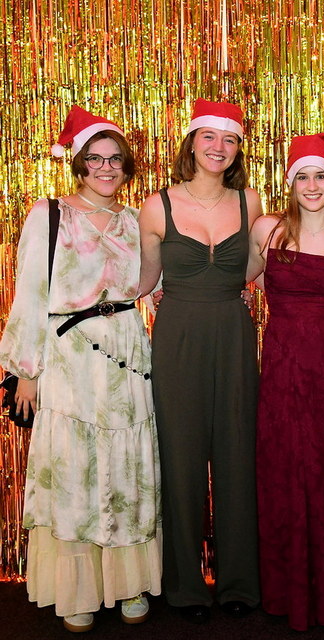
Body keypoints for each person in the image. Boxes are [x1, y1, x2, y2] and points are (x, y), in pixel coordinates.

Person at [0, 106, 161, 632]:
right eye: (95, 158)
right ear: (79, 164)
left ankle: (129, 583)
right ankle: (79, 591)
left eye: (115, 159)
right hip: (69, 358)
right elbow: (29, 293)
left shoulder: (137, 221)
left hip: (127, 355)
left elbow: (157, 286)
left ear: (127, 166)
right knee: (75, 468)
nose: (106, 168)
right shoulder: (49, 215)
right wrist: (26, 370)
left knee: (127, 465)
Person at [138, 99, 262, 623]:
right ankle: (185, 587)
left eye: (229, 139)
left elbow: (258, 266)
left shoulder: (251, 202)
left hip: (233, 333)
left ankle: (239, 583)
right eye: (209, 136)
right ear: (191, 143)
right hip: (178, 337)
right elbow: (144, 278)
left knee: (238, 454)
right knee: (181, 458)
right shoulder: (156, 205)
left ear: (237, 149)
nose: (218, 147)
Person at [247, 133, 324, 631]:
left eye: (321, 175)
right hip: (283, 365)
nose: (313, 185)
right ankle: (289, 590)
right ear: (290, 182)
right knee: (286, 464)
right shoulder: (267, 229)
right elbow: (243, 276)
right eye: (302, 176)